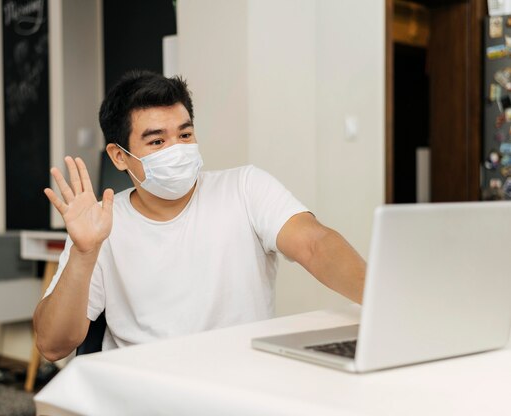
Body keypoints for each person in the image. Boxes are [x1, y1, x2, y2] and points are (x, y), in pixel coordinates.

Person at [33, 70, 366, 361]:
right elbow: (52, 345)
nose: (176, 149)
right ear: (120, 157)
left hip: (241, 380)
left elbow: (314, 244)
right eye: (157, 141)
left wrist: (388, 303)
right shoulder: (103, 224)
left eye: (185, 135)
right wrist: (84, 253)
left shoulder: (245, 188)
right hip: (144, 394)